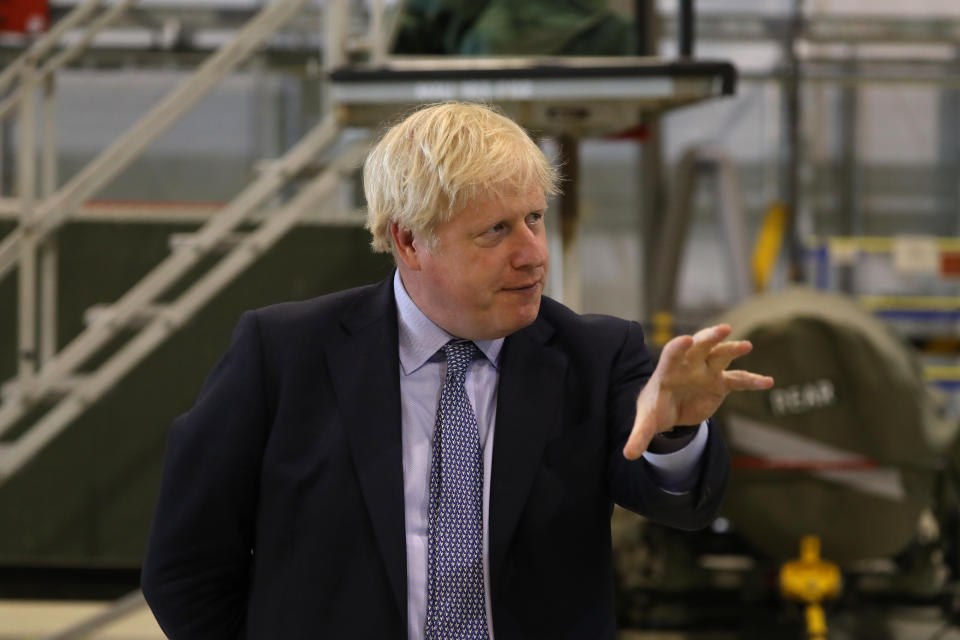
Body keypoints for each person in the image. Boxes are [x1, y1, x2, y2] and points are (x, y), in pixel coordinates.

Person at [141, 101, 773, 639]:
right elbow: (186, 567)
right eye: (495, 231)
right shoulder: (283, 356)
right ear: (410, 241)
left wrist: (675, 436)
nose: (533, 255)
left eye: (534, 218)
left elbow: (681, 508)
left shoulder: (596, 355)